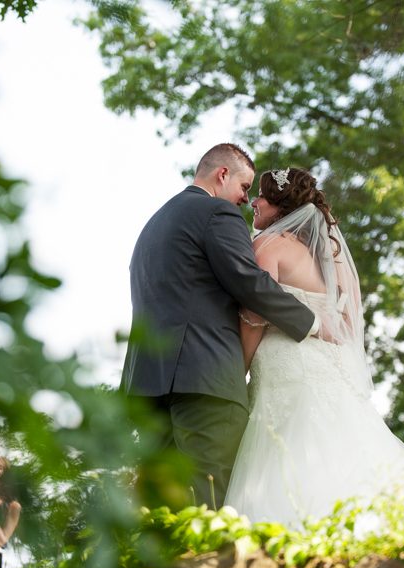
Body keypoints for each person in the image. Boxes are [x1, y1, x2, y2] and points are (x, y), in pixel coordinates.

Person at [224, 167, 404, 527]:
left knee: (284, 452)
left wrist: (239, 370)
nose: (255, 201)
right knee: (348, 443)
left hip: (286, 366)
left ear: (280, 206)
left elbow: (254, 314)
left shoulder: (266, 245)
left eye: (263, 196)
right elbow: (344, 325)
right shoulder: (331, 255)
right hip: (328, 368)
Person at [122, 144, 322, 507]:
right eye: (245, 187)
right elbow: (249, 281)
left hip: (149, 383)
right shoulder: (216, 213)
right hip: (204, 379)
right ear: (222, 175)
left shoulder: (154, 224)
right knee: (209, 497)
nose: (246, 200)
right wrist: (311, 321)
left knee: (161, 503)